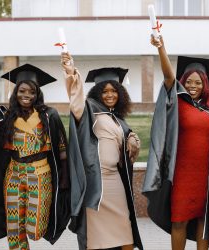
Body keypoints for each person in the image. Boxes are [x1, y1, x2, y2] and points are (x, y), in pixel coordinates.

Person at [0, 57, 71, 250]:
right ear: (16, 92)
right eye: (22, 91)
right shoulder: (6, 115)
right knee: (14, 232)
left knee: (34, 231)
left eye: (31, 91)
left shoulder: (49, 115)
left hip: (40, 175)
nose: (26, 95)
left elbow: (62, 148)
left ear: (38, 94)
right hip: (13, 175)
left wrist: (64, 178)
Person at [142, 35, 209, 250]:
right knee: (179, 220)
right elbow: (168, 76)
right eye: (188, 81)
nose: (192, 86)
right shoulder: (177, 102)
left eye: (198, 82)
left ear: (205, 85)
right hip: (181, 175)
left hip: (206, 175)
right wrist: (161, 48)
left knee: (202, 221)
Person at [61, 52, 143, 250]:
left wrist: (132, 136)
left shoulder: (117, 118)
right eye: (105, 91)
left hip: (115, 181)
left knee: (125, 228)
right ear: (97, 92)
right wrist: (71, 72)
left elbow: (125, 134)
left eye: (114, 91)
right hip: (95, 183)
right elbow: (76, 100)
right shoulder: (88, 110)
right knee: (95, 237)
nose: (110, 95)